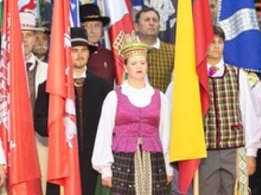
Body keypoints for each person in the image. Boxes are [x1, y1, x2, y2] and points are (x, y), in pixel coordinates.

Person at [34, 27, 112, 195]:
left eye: (84, 50)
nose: (80, 55)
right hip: (63, 160)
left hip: (94, 162)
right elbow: (39, 123)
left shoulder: (103, 87)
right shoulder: (50, 87)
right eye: (74, 50)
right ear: (66, 54)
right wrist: (57, 124)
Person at [92, 35, 173, 193]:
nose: (139, 66)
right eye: (134, 63)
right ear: (126, 67)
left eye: (142, 63)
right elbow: (104, 133)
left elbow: (166, 134)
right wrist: (105, 168)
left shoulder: (160, 98)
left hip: (153, 161)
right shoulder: (114, 96)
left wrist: (168, 166)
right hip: (123, 161)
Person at [199, 25, 261, 194]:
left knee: (235, 190)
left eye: (220, 42)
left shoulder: (237, 74)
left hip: (235, 150)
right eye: (212, 42)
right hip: (205, 150)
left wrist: (251, 152)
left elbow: (248, 114)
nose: (216, 45)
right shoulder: (195, 77)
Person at [20, 11, 49, 191]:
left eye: (29, 35)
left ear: (35, 39)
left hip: (42, 140)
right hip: (13, 139)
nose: (24, 40)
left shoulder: (49, 70)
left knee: (43, 187)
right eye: (20, 35)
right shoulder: (2, 71)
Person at [135, 8, 175, 92]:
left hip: (164, 103)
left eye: (155, 20)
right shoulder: (127, 49)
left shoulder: (172, 52)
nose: (151, 23)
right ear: (137, 27)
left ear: (159, 26)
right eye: (147, 20)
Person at [80, 4, 116, 85]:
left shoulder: (110, 55)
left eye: (97, 25)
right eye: (88, 26)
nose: (93, 31)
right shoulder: (72, 54)